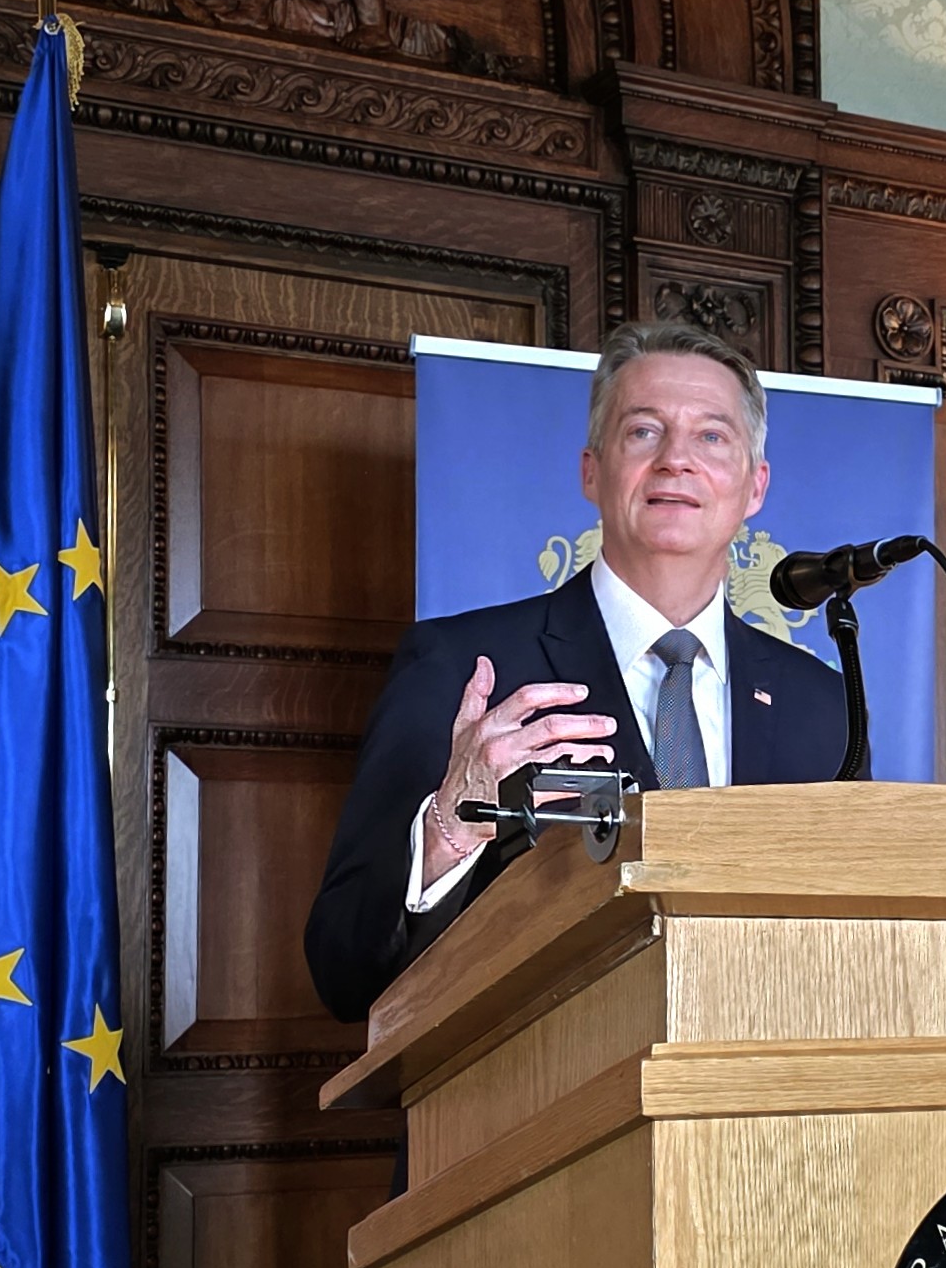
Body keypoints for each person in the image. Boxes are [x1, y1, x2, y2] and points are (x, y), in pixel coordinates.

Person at [302, 322, 847, 1022]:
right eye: (644, 431)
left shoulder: (821, 705)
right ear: (592, 471)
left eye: (712, 436)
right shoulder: (463, 669)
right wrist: (448, 830)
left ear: (755, 486)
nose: (677, 459)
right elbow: (344, 970)